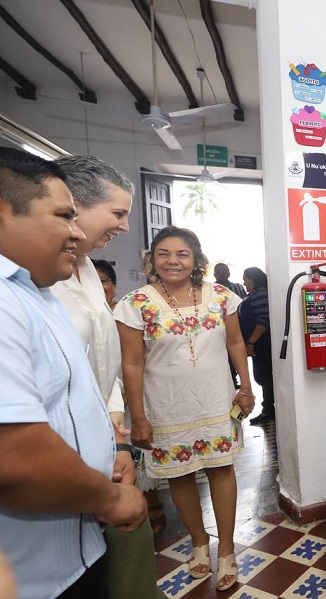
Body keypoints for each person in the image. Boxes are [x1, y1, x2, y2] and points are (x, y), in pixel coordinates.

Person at [0, 148, 146, 599]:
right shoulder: (20, 290)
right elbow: (16, 453)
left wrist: (115, 440)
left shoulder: (52, 279)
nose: (76, 231)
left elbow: (93, 369)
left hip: (83, 525)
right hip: (36, 562)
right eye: (64, 215)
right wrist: (111, 499)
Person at [51, 154, 165, 599]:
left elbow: (104, 364)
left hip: (103, 441)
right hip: (60, 450)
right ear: (73, 204)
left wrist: (118, 438)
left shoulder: (87, 270)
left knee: (121, 564)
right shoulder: (38, 277)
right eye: (117, 213)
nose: (123, 226)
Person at [115, 226, 253, 592]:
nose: (172, 261)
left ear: (196, 260)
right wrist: (138, 416)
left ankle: (227, 549)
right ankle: (199, 542)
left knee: (222, 469)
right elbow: (132, 364)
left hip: (215, 401)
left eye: (182, 254)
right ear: (152, 259)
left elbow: (236, 343)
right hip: (166, 407)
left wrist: (246, 387)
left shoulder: (221, 296)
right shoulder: (134, 304)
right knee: (179, 475)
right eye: (164, 254)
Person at [239, 267, 275, 424]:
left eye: (245, 279)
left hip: (262, 345)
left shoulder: (261, 294)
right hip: (258, 345)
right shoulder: (254, 294)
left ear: (253, 279)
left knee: (265, 377)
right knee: (262, 377)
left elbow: (263, 321)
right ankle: (268, 409)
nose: (244, 283)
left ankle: (269, 410)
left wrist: (251, 342)